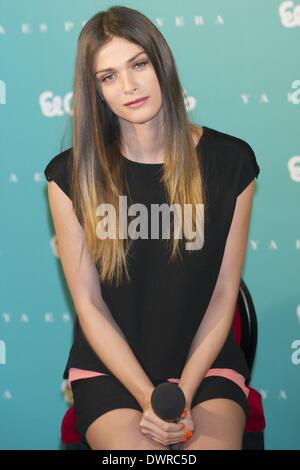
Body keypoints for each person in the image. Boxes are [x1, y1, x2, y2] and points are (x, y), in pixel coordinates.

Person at [44, 6, 260, 450]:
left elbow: (224, 295)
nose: (128, 86)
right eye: (108, 76)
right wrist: (150, 397)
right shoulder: (69, 176)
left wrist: (180, 394)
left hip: (206, 366)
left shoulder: (231, 163)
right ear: (95, 91)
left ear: (161, 62)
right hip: (111, 371)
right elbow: (88, 304)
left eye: (138, 64)